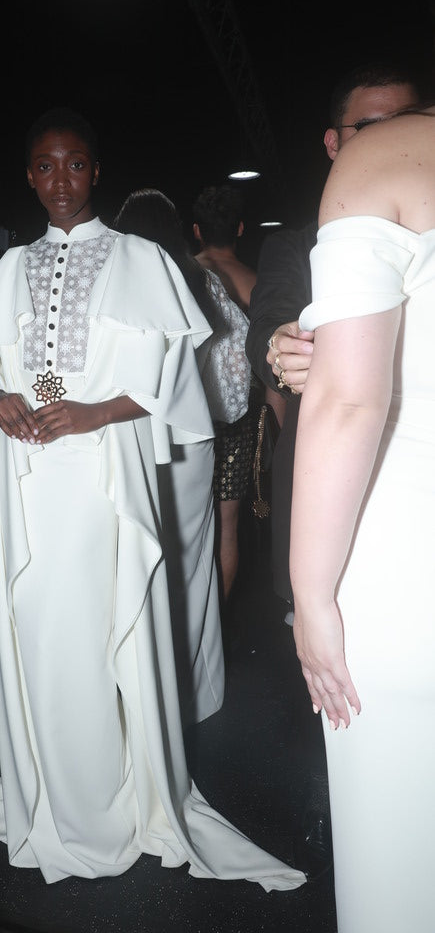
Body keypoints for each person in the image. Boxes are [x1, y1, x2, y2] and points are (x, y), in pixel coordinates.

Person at [0, 107, 305, 891]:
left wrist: (95, 412)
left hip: (105, 464)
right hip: (28, 467)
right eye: (45, 166)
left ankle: (115, 789)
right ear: (29, 176)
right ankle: (54, 783)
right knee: (38, 617)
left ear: (96, 171)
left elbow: (167, 380)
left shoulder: (140, 259)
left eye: (74, 163)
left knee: (104, 615)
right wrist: (1, 398)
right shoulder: (13, 265)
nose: (60, 179)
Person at [290, 106, 435, 933]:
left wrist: (309, 596)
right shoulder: (11, 269)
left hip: (405, 546)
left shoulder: (386, 159)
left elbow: (348, 397)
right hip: (33, 461)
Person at [245, 61, 422, 614]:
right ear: (332, 142)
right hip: (329, 476)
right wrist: (281, 348)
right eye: (369, 129)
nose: (390, 140)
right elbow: (268, 321)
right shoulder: (296, 245)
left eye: (406, 122)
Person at [112, 187, 231, 728]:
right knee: (190, 563)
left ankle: (141, 690)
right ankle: (194, 691)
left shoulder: (116, 282)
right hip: (187, 435)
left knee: (133, 560)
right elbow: (223, 373)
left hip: (126, 432)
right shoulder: (197, 279)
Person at [192, 184, 260, 601]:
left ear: (197, 231)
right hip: (240, 418)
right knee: (228, 525)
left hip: (188, 415)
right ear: (239, 228)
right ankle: (219, 619)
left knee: (185, 522)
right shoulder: (258, 283)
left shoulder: (183, 275)